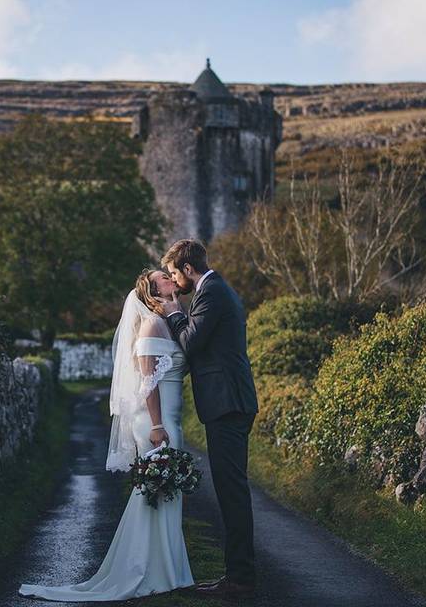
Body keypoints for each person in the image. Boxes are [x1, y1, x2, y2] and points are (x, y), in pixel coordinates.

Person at [17, 269, 195, 601]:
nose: (172, 281)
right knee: (158, 493)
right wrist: (157, 426)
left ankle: (167, 568)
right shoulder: (153, 325)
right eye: (165, 280)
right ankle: (153, 570)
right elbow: (149, 384)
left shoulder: (166, 321)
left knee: (163, 493)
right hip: (157, 422)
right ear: (153, 294)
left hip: (167, 418)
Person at [160, 238, 259, 599]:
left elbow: (189, 342)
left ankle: (241, 579)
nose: (174, 282)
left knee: (232, 493)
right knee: (230, 491)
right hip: (229, 403)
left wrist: (172, 310)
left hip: (228, 405)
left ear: (188, 269)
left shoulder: (211, 292)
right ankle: (237, 574)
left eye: (174, 273)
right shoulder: (213, 290)